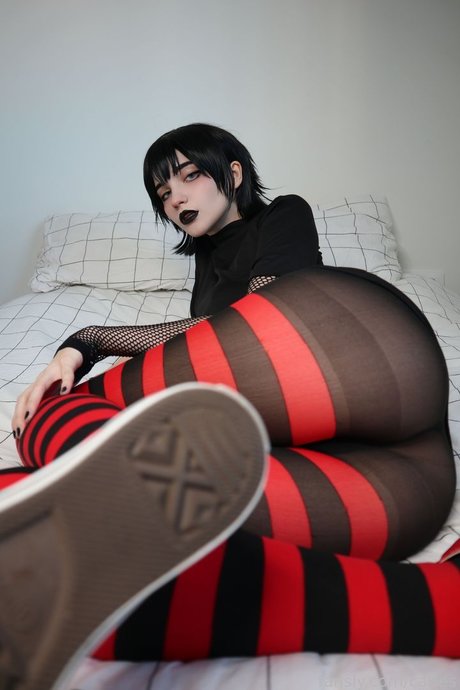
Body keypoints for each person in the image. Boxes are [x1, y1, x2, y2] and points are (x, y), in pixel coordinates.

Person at [2, 124, 459, 689]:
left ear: (233, 173)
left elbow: (255, 322)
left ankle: (107, 480)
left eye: (190, 175)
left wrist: (91, 340)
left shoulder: (284, 214)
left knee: (75, 397)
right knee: (99, 561)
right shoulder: (207, 265)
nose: (176, 198)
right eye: (163, 192)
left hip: (380, 380)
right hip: (380, 494)